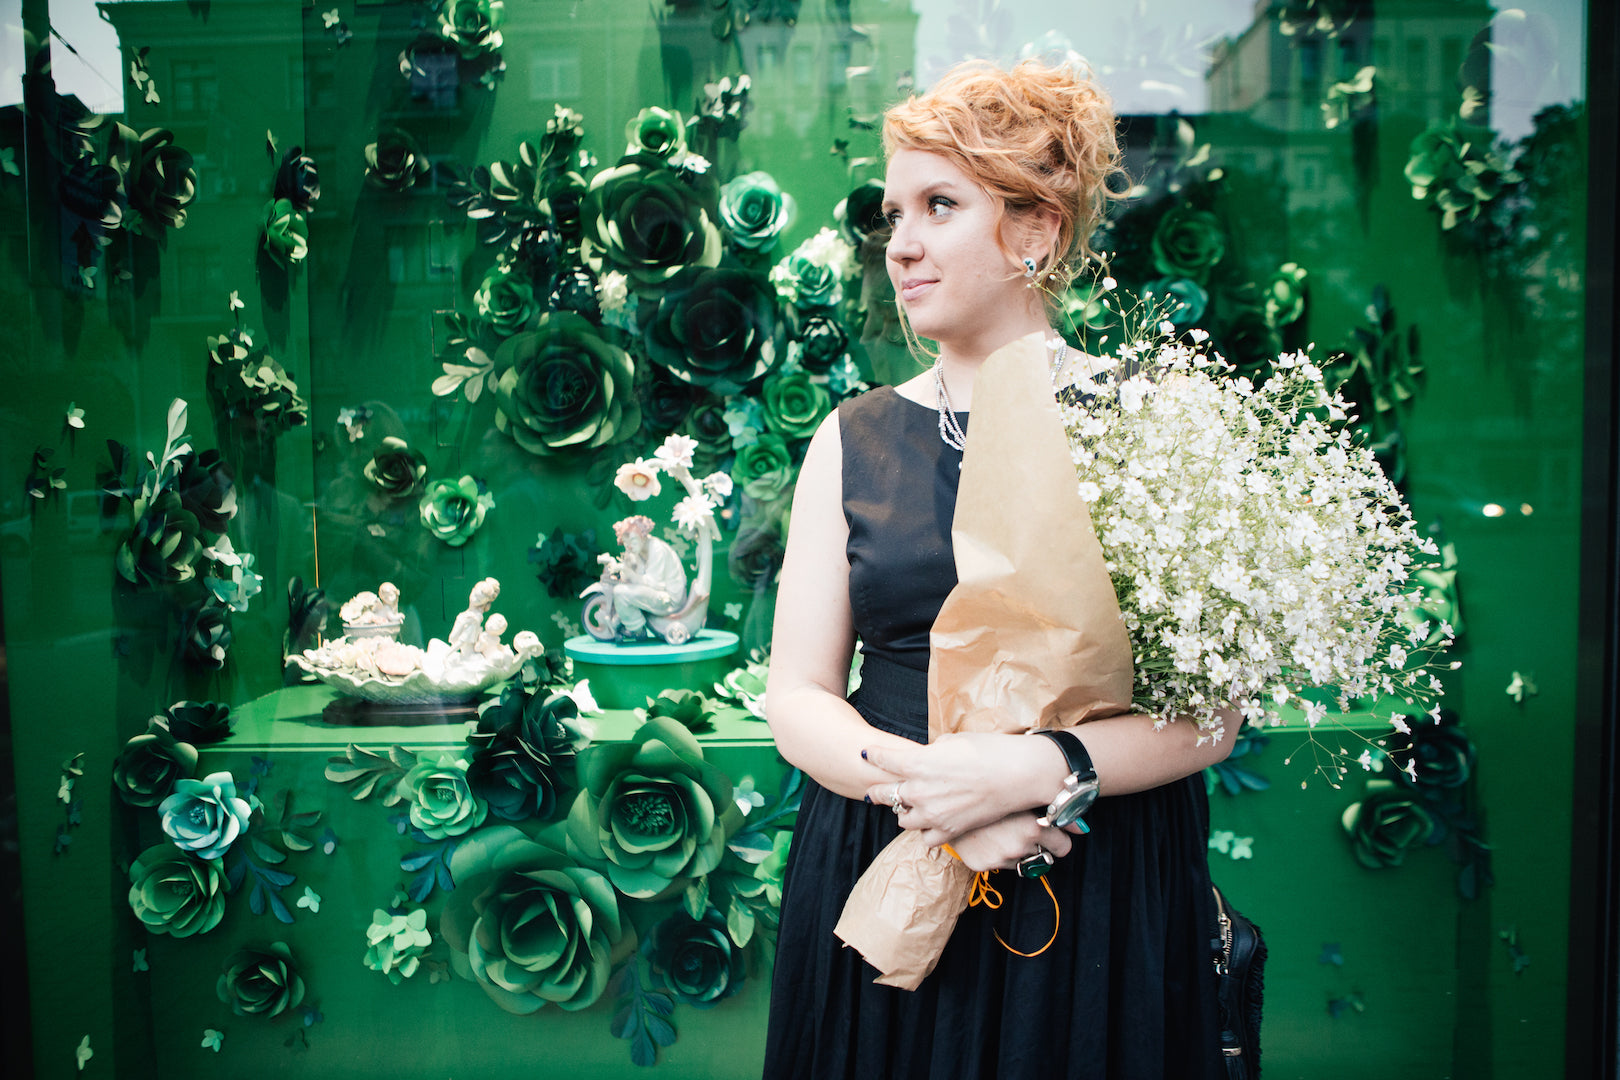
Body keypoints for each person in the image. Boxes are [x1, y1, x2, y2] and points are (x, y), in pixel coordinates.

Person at [763, 59, 1235, 1079]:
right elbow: (796, 696)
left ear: (1036, 229)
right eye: (893, 214)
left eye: (940, 205)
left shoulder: (1150, 429)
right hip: (887, 861)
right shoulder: (852, 439)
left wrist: (1037, 771)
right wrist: (936, 797)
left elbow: (1215, 715)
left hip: (1099, 882)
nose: (903, 245)